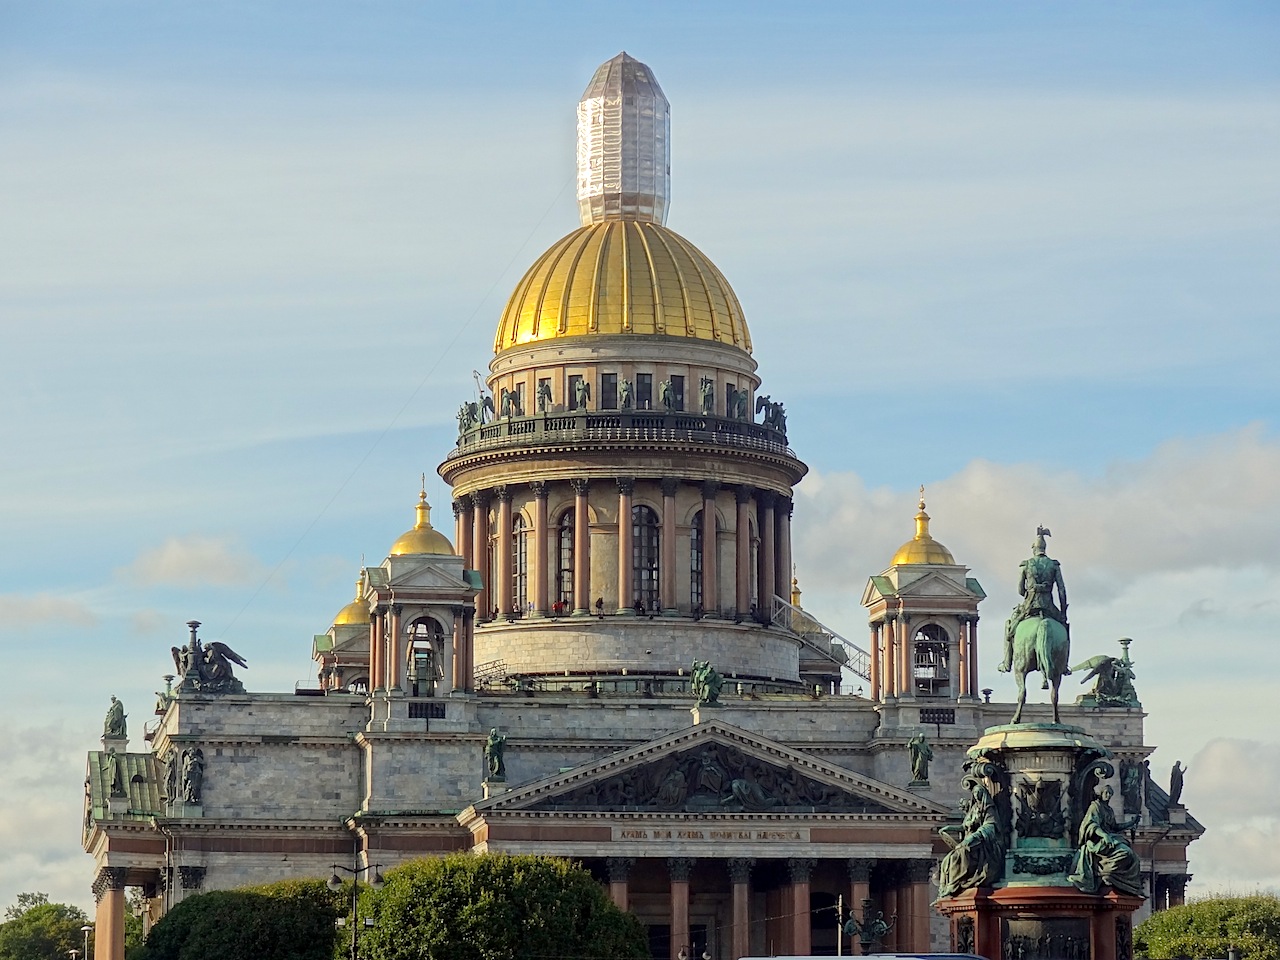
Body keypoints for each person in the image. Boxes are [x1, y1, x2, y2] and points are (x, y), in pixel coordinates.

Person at [1000, 527, 1068, 672]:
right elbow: (1061, 590)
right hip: (1049, 606)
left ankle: (1007, 663)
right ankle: (1064, 666)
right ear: (1045, 548)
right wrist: (1063, 612)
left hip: (1030, 605)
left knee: (1009, 628)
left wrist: (1029, 591)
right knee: (1065, 629)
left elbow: (1019, 590)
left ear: (1034, 549)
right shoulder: (1054, 565)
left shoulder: (1026, 564)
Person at [1067, 784, 1143, 896]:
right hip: (1097, 841)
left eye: (1110, 794)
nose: (1108, 795)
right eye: (1106, 793)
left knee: (1134, 858)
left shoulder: (1109, 810)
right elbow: (1091, 825)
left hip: (1109, 839)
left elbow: (1114, 827)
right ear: (1101, 794)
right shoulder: (1095, 807)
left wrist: (1130, 823)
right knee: (1125, 853)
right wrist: (1104, 835)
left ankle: (1117, 878)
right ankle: (1106, 873)